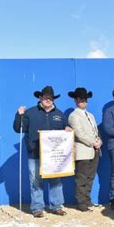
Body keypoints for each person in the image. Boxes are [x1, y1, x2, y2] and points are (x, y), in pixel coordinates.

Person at [13, 86, 71, 217]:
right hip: (35, 153)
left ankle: (57, 206)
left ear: (53, 99)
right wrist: (19, 115)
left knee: (56, 181)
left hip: (54, 156)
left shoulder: (59, 114)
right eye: (45, 97)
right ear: (40, 98)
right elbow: (18, 129)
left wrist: (68, 128)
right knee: (36, 181)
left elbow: (66, 128)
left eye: (50, 98)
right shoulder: (30, 113)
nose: (48, 100)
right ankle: (38, 208)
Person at [68, 87, 102, 212]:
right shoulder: (73, 116)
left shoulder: (90, 115)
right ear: (76, 100)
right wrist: (93, 142)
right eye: (81, 99)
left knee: (90, 177)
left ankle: (87, 200)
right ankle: (81, 203)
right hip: (83, 150)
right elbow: (79, 133)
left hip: (94, 150)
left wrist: (99, 140)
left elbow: (95, 131)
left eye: (85, 99)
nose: (83, 101)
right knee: (82, 177)